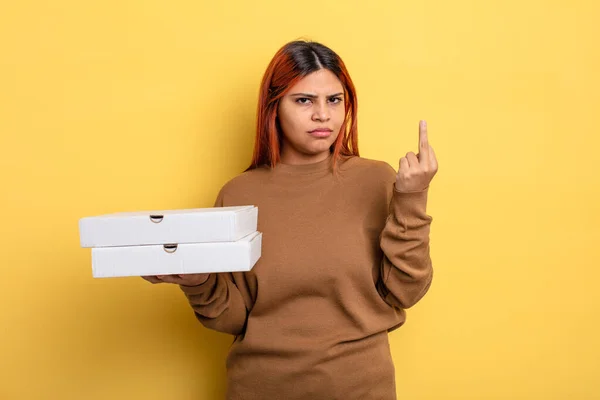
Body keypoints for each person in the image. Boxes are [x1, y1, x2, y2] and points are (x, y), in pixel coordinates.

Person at [142, 40, 438, 400]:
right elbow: (233, 318)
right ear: (274, 107)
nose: (323, 115)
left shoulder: (376, 181)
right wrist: (198, 280)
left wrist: (412, 196)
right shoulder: (238, 194)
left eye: (334, 100)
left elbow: (407, 291)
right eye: (304, 100)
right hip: (259, 388)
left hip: (361, 388)